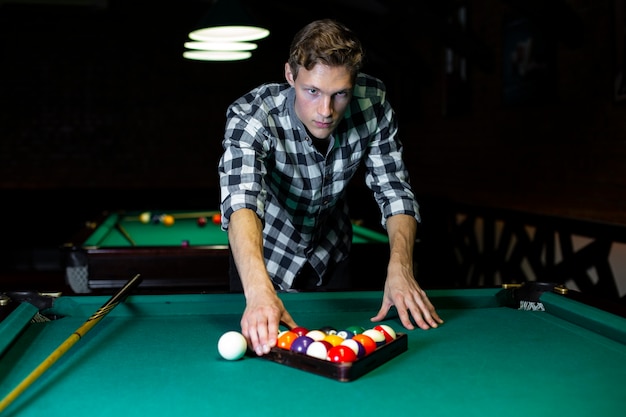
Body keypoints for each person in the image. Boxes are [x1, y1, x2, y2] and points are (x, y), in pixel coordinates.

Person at [218, 18, 443, 356]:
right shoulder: (252, 115)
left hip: (332, 254)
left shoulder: (373, 103)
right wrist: (258, 289)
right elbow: (242, 200)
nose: (325, 111)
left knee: (338, 354)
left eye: (340, 94)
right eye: (313, 91)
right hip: (263, 260)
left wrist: (401, 268)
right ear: (290, 75)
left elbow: (394, 190)